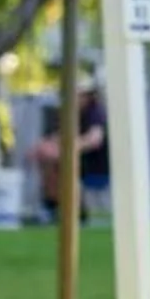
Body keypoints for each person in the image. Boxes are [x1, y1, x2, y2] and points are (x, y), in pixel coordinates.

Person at [32, 83, 107, 218]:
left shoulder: (95, 112)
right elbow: (58, 136)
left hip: (94, 162)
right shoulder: (71, 113)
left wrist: (68, 148)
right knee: (48, 159)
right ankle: (53, 204)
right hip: (74, 159)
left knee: (61, 164)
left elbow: (95, 139)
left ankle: (74, 209)